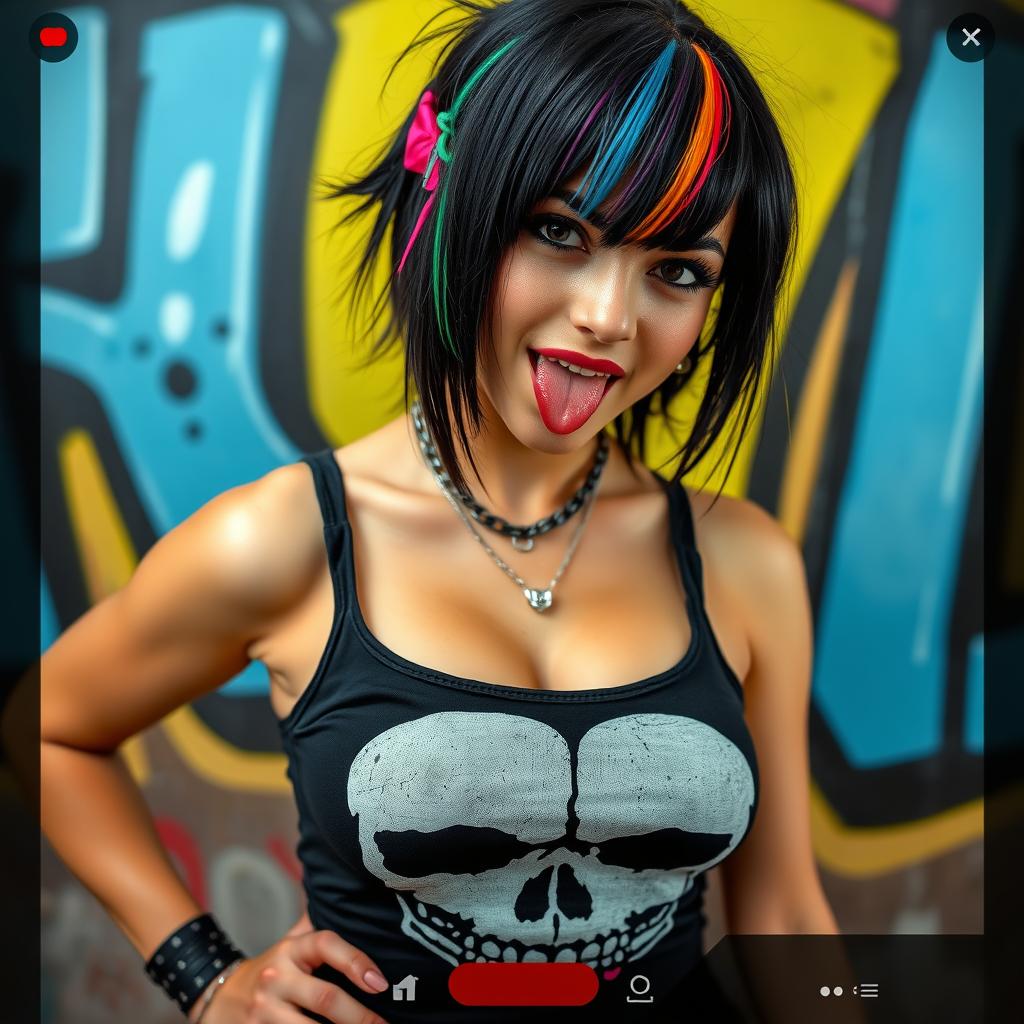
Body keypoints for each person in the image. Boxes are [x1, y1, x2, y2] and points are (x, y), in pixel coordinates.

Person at [39, 1, 841, 1022]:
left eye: (677, 270)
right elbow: (52, 729)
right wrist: (204, 978)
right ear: (454, 204)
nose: (610, 315)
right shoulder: (287, 541)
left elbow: (780, 910)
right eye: (560, 231)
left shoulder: (742, 561)